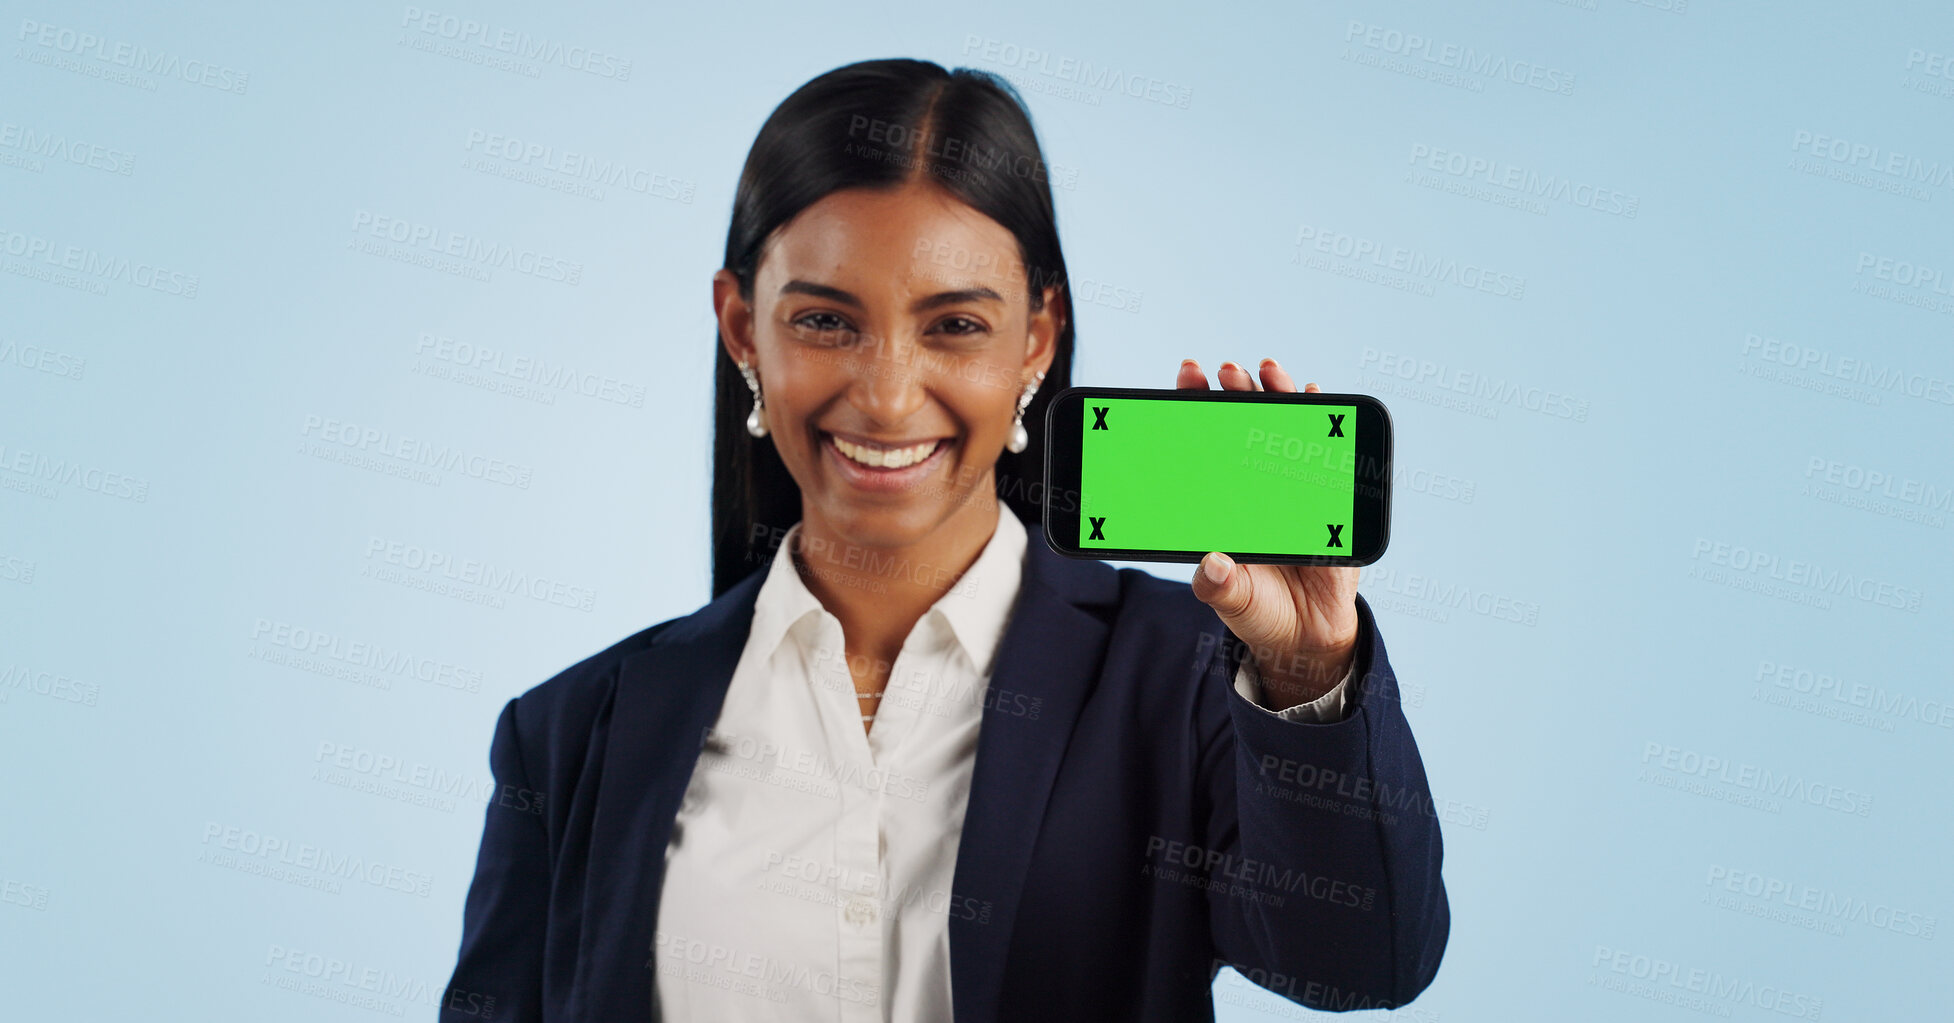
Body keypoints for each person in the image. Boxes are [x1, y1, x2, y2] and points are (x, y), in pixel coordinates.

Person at [440, 57, 1447, 1023]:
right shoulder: (572, 734)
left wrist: (1308, 671)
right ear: (743, 328)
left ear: (1037, 340)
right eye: (826, 321)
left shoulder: (1183, 675)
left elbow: (1359, 965)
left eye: (954, 325)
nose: (884, 397)